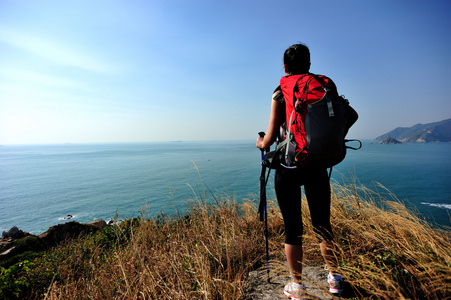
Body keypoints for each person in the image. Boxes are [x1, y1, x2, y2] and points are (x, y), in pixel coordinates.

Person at [256, 43, 347, 299]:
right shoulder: (324, 86)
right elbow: (347, 116)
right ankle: (335, 279)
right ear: (308, 64)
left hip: (289, 166)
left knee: (292, 227)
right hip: (317, 163)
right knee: (323, 225)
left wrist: (260, 142)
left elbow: (271, 138)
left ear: (285, 67)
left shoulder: (279, 92)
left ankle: (297, 286)